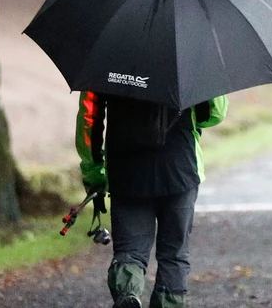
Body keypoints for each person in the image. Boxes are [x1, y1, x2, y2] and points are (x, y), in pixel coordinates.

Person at [75, 90, 228, 308]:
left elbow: (89, 119)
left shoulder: (103, 70)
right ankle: (169, 302)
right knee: (174, 255)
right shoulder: (191, 66)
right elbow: (215, 113)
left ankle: (128, 291)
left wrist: (94, 174)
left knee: (130, 251)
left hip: (126, 172)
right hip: (180, 169)